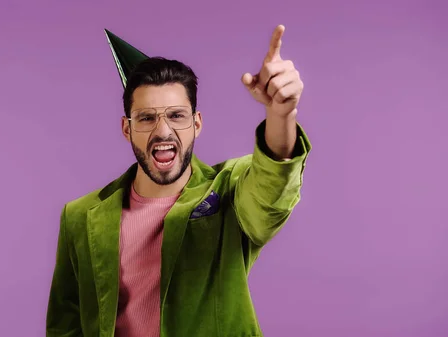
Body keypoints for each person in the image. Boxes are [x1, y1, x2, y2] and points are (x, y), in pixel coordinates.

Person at [46, 25, 312, 337]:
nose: (162, 131)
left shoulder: (228, 189)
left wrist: (281, 114)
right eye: (146, 118)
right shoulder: (79, 216)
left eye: (176, 115)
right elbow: (65, 324)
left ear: (196, 123)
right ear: (126, 128)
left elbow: (269, 192)